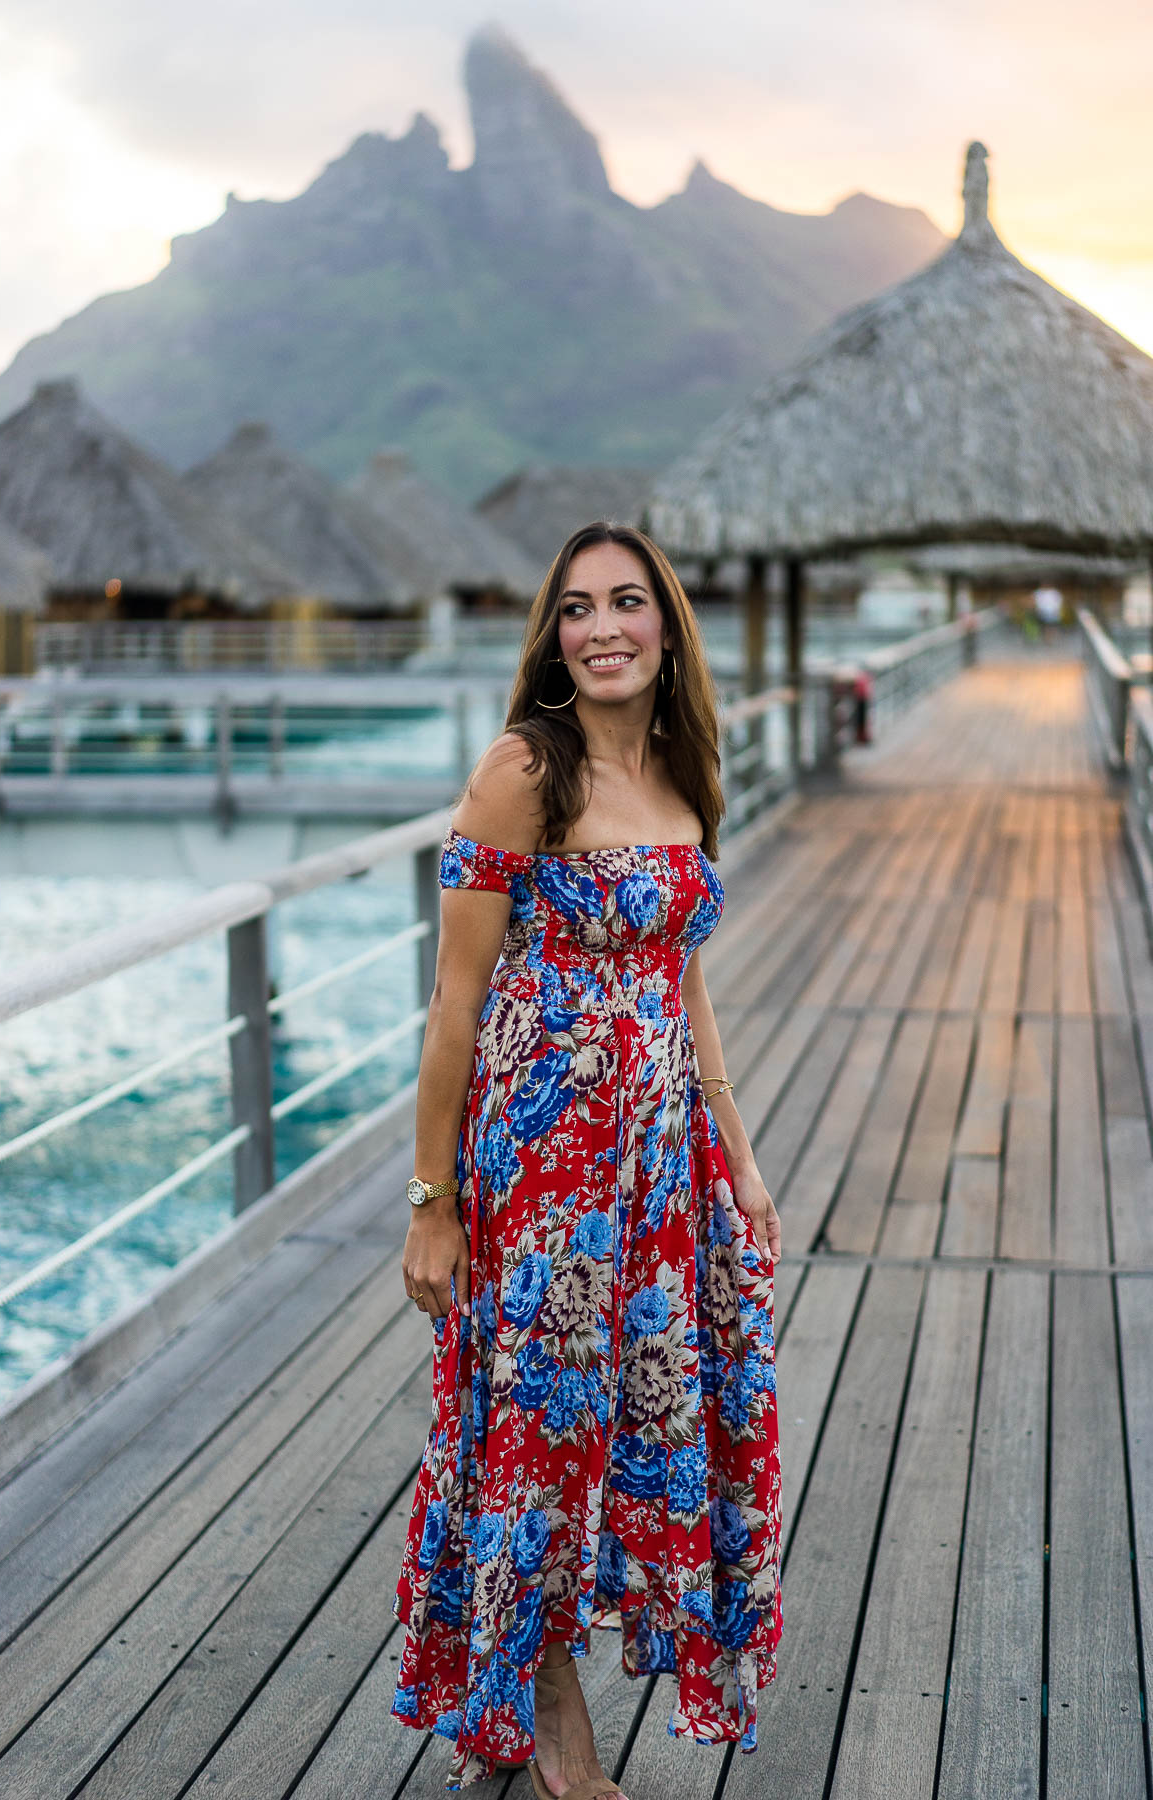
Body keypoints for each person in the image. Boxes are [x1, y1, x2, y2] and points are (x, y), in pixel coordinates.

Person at [391, 522, 783, 1797]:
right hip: (545, 1157)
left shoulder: (684, 769)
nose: (603, 626)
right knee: (542, 1435)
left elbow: (682, 982)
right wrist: (430, 1204)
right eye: (576, 609)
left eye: (627, 603)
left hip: (659, 1159)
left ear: (667, 625)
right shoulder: (523, 769)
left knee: (639, 1412)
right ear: (553, 637)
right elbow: (453, 1008)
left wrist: (738, 1153)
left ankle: (517, 1695)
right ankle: (558, 1740)